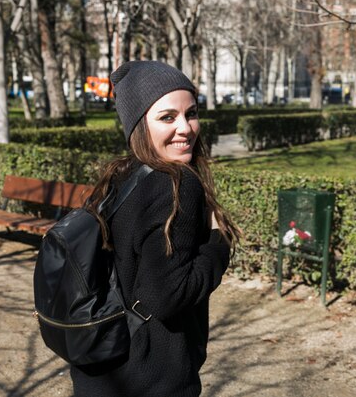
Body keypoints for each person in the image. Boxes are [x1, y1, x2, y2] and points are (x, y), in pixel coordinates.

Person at [70, 60, 240, 397]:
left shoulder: (120, 176)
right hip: (151, 377)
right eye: (167, 117)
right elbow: (167, 296)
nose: (186, 128)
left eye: (191, 113)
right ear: (139, 125)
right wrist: (219, 242)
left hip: (102, 368)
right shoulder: (175, 186)